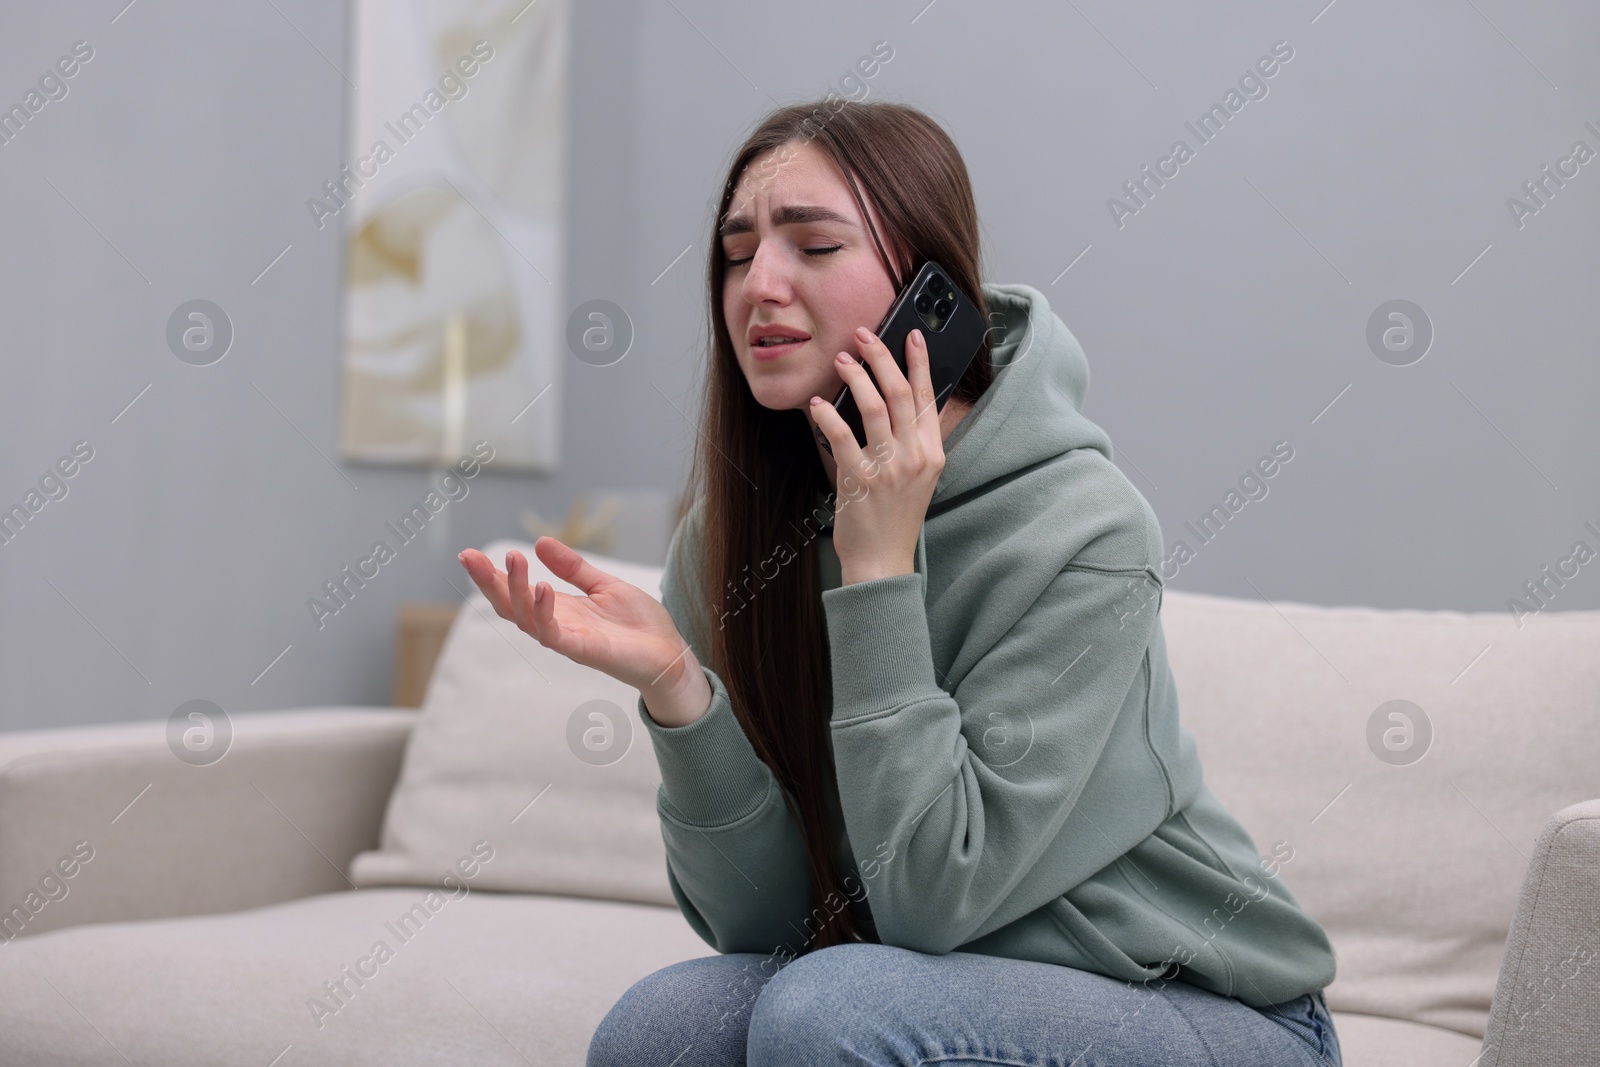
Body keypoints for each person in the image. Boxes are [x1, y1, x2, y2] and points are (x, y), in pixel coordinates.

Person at [459, 99, 1342, 1067]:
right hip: (941, 983)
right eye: (738, 250)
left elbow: (931, 894)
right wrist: (681, 690)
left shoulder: (1085, 532)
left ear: (930, 284)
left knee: (831, 1011)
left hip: (1203, 1008)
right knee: (656, 1032)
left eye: (813, 245)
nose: (761, 284)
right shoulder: (733, 533)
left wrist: (878, 565)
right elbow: (760, 924)